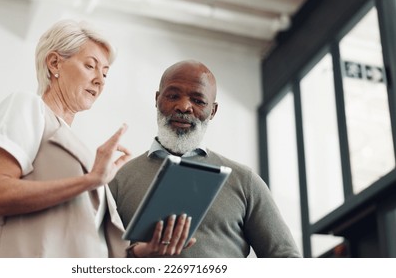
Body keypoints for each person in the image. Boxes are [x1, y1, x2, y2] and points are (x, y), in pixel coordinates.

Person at [0, 19, 192, 258]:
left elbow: (93, 245)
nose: (100, 80)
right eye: (90, 66)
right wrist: (90, 180)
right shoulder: (28, 106)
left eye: (105, 73)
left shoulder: (82, 154)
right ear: (54, 63)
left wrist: (144, 251)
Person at [109, 60, 302, 258]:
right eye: (173, 96)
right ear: (157, 99)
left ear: (213, 111)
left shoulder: (244, 181)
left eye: (198, 101)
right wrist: (136, 254)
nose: (184, 107)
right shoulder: (118, 180)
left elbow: (287, 259)